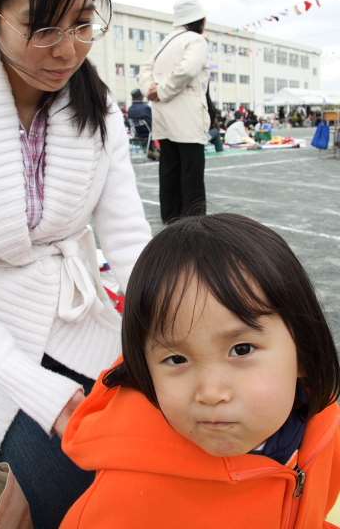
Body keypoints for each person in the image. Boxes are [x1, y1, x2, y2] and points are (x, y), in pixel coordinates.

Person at [0, 0, 151, 527]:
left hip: (78, 313)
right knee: (64, 478)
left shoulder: (99, 109)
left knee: (153, 440)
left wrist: (173, 326)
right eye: (43, 27)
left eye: (82, 23)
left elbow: (128, 240)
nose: (68, 50)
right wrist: (40, 393)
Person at [61, 214, 340, 529]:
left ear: (303, 350)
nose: (210, 393)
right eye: (177, 359)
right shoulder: (126, 503)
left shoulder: (323, 430)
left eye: (242, 349)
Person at [139, 0, 209, 223]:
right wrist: (163, 91)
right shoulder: (196, 40)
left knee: (169, 170)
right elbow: (187, 70)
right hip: (187, 117)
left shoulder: (164, 42)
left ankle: (170, 219)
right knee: (192, 174)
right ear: (199, 20)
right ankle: (193, 224)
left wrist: (150, 89)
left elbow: (144, 69)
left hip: (163, 117)